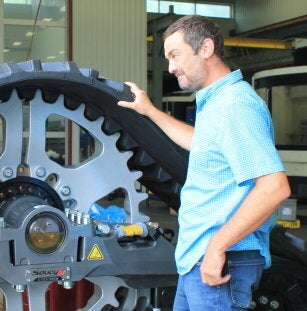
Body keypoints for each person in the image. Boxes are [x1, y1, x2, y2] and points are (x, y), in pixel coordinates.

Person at [118, 15, 291, 310]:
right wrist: (149, 112)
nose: (170, 67)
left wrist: (217, 247)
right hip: (199, 256)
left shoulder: (235, 105)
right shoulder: (217, 103)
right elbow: (200, 143)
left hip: (222, 259)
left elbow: (274, 187)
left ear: (206, 48)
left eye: (175, 55)